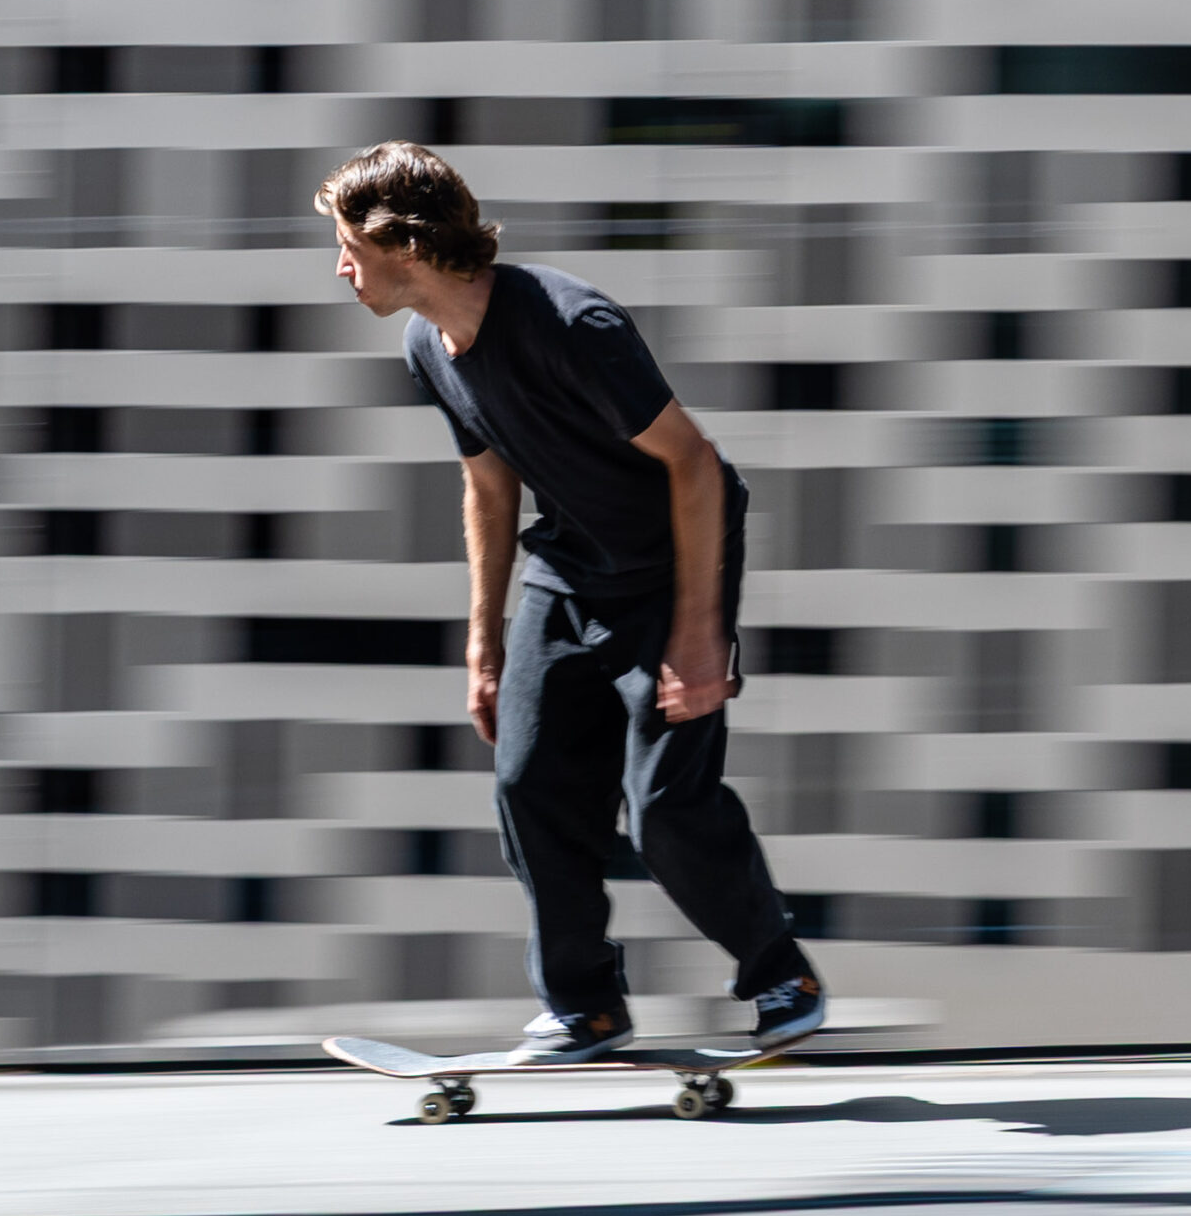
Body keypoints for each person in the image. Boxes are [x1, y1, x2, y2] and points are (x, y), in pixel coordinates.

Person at [314, 142, 825, 1062]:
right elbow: (489, 486)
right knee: (529, 782)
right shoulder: (427, 345)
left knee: (664, 807)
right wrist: (484, 642)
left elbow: (695, 463)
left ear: (407, 245)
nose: (341, 267)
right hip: (568, 568)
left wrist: (698, 631)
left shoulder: (570, 322)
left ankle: (779, 972)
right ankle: (584, 1005)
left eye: (350, 246)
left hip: (671, 566)